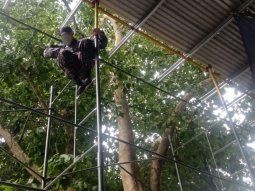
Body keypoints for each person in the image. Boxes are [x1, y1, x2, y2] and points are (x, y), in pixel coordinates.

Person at [43, 26, 107, 95]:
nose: (66, 37)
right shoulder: (63, 48)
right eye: (64, 36)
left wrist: (100, 34)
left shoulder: (81, 43)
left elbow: (102, 44)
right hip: (74, 72)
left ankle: (86, 78)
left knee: (85, 41)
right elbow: (45, 53)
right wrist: (58, 50)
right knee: (62, 52)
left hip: (84, 66)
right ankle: (80, 81)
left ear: (72, 33)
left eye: (67, 34)